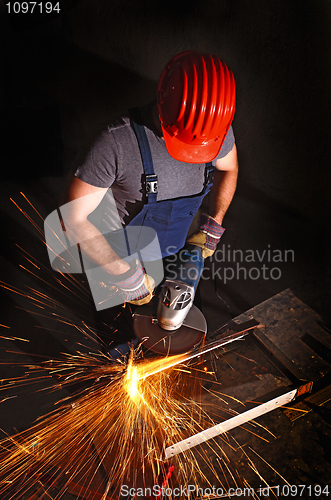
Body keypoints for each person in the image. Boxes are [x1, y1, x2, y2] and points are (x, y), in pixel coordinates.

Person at [62, 51, 238, 310]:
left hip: (178, 251)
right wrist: (124, 275)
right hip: (116, 260)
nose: (193, 150)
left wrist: (214, 221)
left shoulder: (213, 131)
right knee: (123, 345)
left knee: (182, 332)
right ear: (162, 99)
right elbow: (72, 218)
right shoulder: (114, 142)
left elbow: (229, 169)